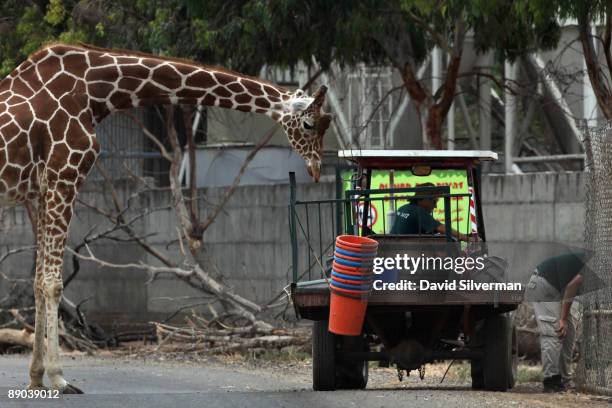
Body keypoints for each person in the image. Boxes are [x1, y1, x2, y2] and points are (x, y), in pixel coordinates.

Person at [527, 251, 585, 393]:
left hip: (559, 288)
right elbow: (572, 286)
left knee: (569, 331)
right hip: (543, 283)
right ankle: (551, 380)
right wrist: (563, 319)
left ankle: (564, 379)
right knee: (554, 331)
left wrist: (566, 319)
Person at [390, 182, 469, 241]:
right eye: (434, 202)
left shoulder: (402, 208)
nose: (435, 206)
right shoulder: (418, 211)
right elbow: (441, 228)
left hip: (394, 251)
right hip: (410, 255)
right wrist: (466, 238)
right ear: (424, 199)